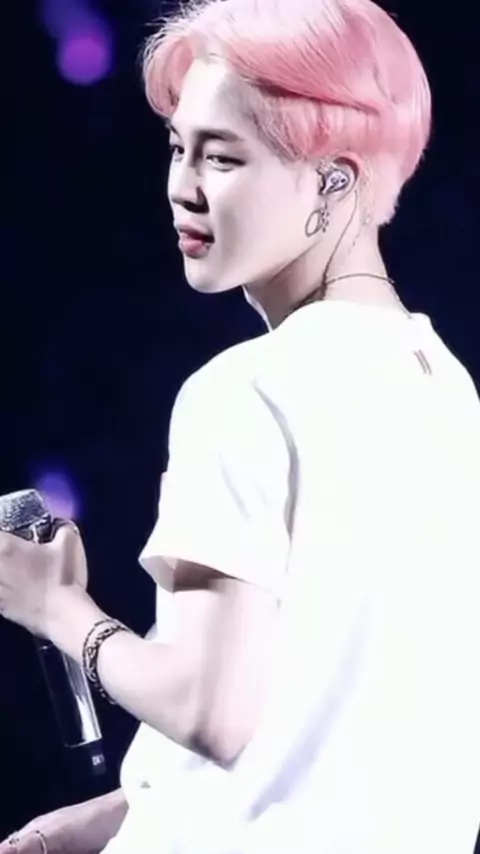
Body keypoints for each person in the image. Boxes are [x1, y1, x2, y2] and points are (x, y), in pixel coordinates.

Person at [1, 0, 480, 851]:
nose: (182, 187)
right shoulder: (445, 386)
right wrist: (133, 809)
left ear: (335, 180)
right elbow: (350, 721)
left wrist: (56, 607)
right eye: (176, 147)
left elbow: (209, 711)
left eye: (221, 157)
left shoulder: (246, 390)